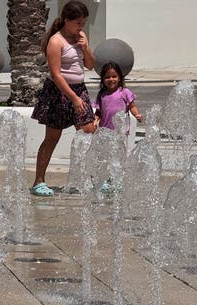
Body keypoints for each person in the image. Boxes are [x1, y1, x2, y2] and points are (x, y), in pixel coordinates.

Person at [30, 0, 96, 197]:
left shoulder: (81, 36)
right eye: (77, 22)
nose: (80, 27)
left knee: (88, 132)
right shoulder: (55, 41)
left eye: (83, 22)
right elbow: (56, 75)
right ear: (66, 21)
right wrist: (74, 99)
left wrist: (85, 48)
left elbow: (91, 65)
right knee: (52, 137)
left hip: (79, 89)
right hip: (58, 93)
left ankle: (93, 178)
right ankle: (38, 181)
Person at [93, 61, 143, 134]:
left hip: (121, 130)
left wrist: (137, 114)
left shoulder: (124, 92)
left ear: (119, 78)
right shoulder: (101, 94)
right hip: (105, 130)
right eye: (107, 77)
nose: (111, 79)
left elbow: (132, 106)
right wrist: (95, 120)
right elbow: (98, 111)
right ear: (103, 80)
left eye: (114, 76)